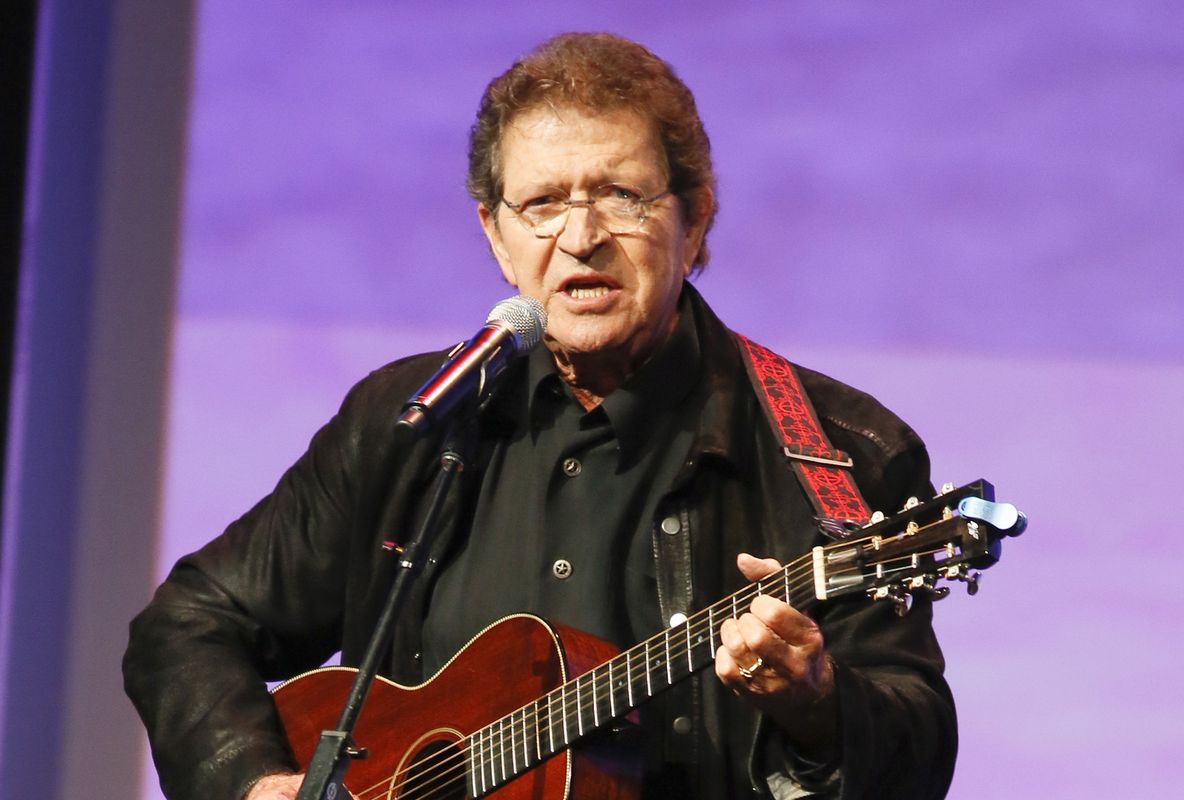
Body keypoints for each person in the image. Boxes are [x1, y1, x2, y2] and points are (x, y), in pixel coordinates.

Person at [124, 32, 956, 800]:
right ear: (496, 234)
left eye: (622, 196)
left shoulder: (837, 450)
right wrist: (251, 783)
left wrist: (818, 706)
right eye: (543, 204)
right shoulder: (413, 421)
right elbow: (189, 624)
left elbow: (914, 744)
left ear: (695, 215)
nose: (581, 236)